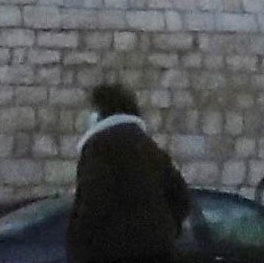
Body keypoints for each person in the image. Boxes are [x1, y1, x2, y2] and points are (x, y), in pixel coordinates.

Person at [66, 83, 189, 263]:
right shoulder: (150, 148)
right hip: (158, 251)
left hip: (112, 252)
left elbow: (94, 200)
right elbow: (181, 197)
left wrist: (79, 243)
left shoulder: (99, 147)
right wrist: (166, 230)